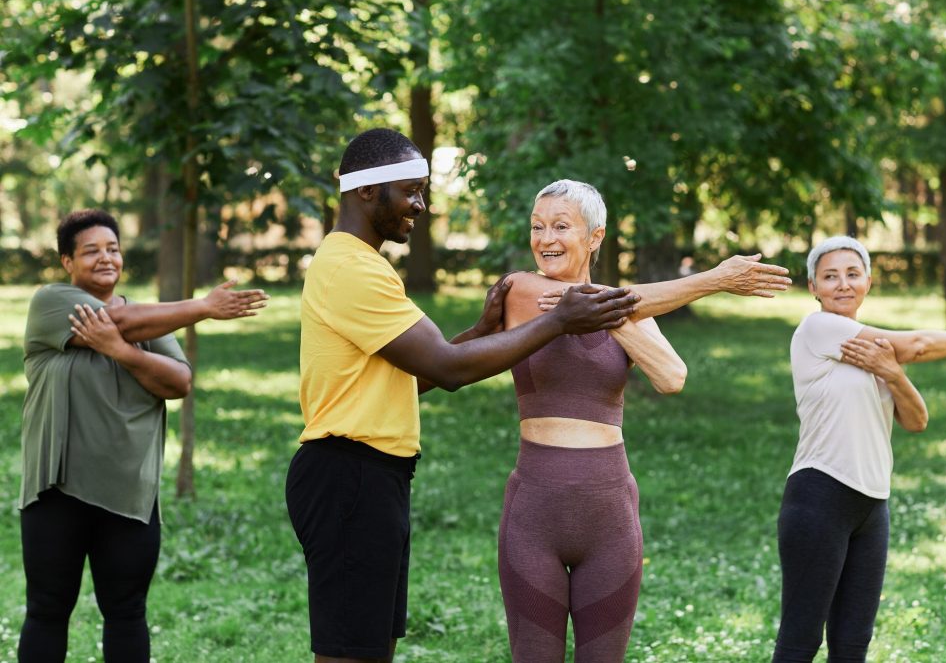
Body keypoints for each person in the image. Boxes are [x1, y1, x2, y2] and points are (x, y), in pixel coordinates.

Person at [284, 129, 642, 663]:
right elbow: (446, 371)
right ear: (366, 192)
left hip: (372, 478)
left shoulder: (362, 264)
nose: (420, 205)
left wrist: (479, 333)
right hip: (348, 477)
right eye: (410, 190)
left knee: (369, 648)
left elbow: (412, 376)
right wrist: (560, 322)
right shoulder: (351, 268)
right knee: (349, 654)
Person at [498, 179, 793, 663]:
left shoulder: (629, 305)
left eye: (560, 226)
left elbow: (672, 376)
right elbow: (576, 306)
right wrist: (714, 280)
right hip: (535, 511)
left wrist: (616, 314)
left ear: (595, 236)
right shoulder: (522, 289)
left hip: (609, 514)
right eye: (537, 226)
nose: (545, 238)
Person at [18, 209, 269, 663]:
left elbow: (179, 382)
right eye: (91, 250)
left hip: (128, 492)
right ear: (67, 262)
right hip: (55, 489)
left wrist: (119, 352)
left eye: (112, 248)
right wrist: (204, 308)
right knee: (47, 610)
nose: (105, 258)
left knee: (127, 612)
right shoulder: (51, 302)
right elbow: (123, 326)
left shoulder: (148, 317)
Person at [772, 235, 946, 663]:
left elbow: (917, 420)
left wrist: (894, 373)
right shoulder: (819, 329)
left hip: (873, 507)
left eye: (853, 274)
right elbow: (917, 346)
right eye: (830, 276)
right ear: (813, 287)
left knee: (853, 645)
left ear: (868, 282)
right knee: (800, 642)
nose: (843, 284)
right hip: (819, 498)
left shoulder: (875, 352)